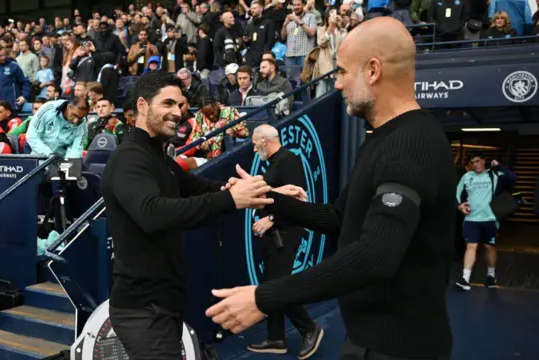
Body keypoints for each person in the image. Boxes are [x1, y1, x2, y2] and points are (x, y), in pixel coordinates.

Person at [206, 17, 457, 360]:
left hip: (401, 349)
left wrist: (265, 298)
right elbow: (342, 216)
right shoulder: (381, 140)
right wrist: (268, 198)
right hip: (367, 340)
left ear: (372, 70)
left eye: (341, 71)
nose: (336, 84)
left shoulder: (412, 143)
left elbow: (375, 255)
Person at [101, 71, 283, 359]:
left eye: (180, 105)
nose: (177, 112)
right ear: (142, 106)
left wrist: (268, 191)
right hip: (143, 311)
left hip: (163, 304)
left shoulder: (158, 158)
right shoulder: (129, 158)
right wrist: (229, 199)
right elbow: (152, 213)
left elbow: (203, 189)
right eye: (168, 104)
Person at [247, 124, 323, 359]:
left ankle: (310, 328)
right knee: (271, 285)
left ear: (264, 140)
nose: (252, 148)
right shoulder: (276, 163)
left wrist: (270, 218)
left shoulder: (287, 160)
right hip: (275, 236)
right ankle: (276, 338)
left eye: (254, 143)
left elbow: (296, 201)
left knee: (279, 287)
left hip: (286, 233)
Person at [455, 154, 516, 290]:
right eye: (472, 162)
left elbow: (512, 177)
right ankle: (465, 278)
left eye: (477, 161)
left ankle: (491, 275)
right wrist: (459, 206)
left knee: (489, 248)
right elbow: (457, 195)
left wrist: (499, 165)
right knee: (471, 246)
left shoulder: (494, 175)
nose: (475, 165)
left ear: (483, 161)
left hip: (490, 219)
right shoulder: (467, 177)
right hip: (471, 219)